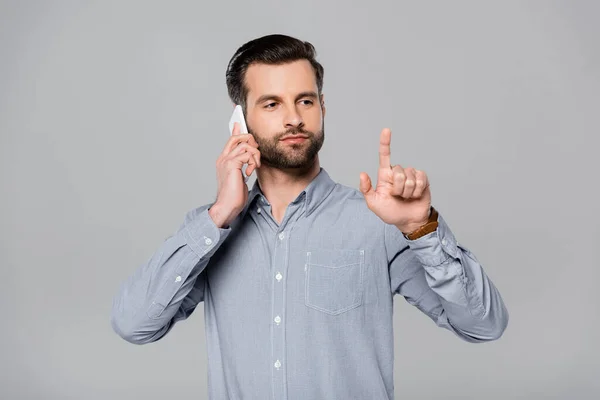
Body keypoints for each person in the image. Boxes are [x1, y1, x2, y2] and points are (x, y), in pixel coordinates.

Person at [111, 33, 509, 399]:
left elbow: (483, 325)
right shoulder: (211, 232)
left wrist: (420, 230)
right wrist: (219, 215)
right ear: (240, 123)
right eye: (271, 104)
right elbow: (134, 324)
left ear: (322, 107)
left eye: (305, 100)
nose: (294, 118)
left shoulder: (380, 224)